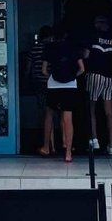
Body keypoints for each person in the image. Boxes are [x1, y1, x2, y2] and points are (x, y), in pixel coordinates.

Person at [42, 25, 84, 163]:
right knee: (68, 118)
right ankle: (68, 153)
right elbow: (82, 69)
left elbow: (44, 70)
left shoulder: (50, 47)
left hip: (53, 84)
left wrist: (52, 76)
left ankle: (46, 147)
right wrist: (73, 77)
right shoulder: (74, 47)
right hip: (70, 85)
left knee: (49, 115)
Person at [85, 15, 112, 155]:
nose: (95, 24)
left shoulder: (93, 37)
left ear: (102, 24)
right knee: (109, 112)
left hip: (94, 75)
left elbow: (86, 55)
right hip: (110, 78)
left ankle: (94, 140)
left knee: (91, 108)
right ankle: (111, 146)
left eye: (97, 22)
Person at [26, 25, 56, 156]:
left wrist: (26, 79)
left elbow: (28, 68)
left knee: (45, 113)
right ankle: (53, 145)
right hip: (53, 83)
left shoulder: (34, 49)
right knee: (53, 114)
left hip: (39, 83)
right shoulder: (53, 48)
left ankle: (47, 143)